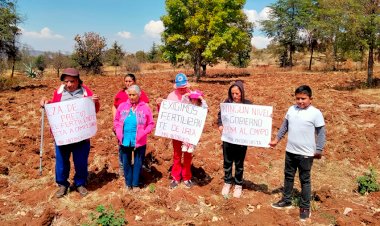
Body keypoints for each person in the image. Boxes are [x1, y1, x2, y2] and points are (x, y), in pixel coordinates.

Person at [40, 68, 100, 198]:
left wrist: (95, 102)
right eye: (66, 81)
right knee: (61, 161)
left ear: (78, 81)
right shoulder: (59, 92)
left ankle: (80, 183)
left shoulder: (86, 92)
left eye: (72, 81)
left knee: (81, 161)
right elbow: (53, 107)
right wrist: (46, 103)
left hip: (81, 136)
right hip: (63, 135)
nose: (69, 84)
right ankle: (62, 184)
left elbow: (94, 110)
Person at [269, 85, 326, 221]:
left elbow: (321, 133)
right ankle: (286, 200)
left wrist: (319, 149)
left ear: (310, 99)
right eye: (298, 98)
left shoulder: (315, 113)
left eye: (303, 98)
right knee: (288, 176)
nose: (300, 101)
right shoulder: (291, 110)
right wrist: (276, 140)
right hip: (290, 151)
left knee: (304, 180)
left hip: (306, 154)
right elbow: (285, 126)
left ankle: (305, 207)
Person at [114, 85, 155, 191]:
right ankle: (128, 183)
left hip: (140, 141)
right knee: (126, 162)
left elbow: (150, 123)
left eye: (134, 95)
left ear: (139, 95)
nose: (131, 97)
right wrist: (118, 132)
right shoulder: (122, 106)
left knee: (138, 162)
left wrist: (145, 132)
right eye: (130, 94)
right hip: (125, 140)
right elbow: (117, 121)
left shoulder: (145, 108)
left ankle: (135, 184)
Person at [157, 73, 193, 189]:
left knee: (188, 155)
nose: (182, 89)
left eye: (183, 87)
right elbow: (165, 113)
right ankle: (176, 178)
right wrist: (159, 105)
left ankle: (187, 177)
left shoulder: (193, 95)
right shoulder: (171, 96)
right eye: (180, 87)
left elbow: (200, 110)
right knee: (177, 155)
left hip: (188, 131)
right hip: (176, 131)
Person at [217, 80, 252, 198]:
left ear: (242, 92)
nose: (235, 96)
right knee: (227, 162)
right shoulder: (227, 103)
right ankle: (227, 182)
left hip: (242, 140)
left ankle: (238, 184)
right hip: (228, 138)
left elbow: (254, 120)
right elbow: (220, 116)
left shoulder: (248, 105)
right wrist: (220, 125)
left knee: (239, 163)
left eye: (237, 93)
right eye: (232, 94)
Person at [112, 73, 149, 177]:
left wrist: (145, 126)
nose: (128, 83)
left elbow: (146, 107)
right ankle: (123, 169)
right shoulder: (120, 94)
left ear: (134, 82)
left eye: (130, 81)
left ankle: (137, 170)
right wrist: (116, 123)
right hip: (122, 127)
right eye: (126, 81)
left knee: (137, 148)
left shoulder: (140, 93)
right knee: (122, 148)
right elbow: (114, 107)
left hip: (136, 128)